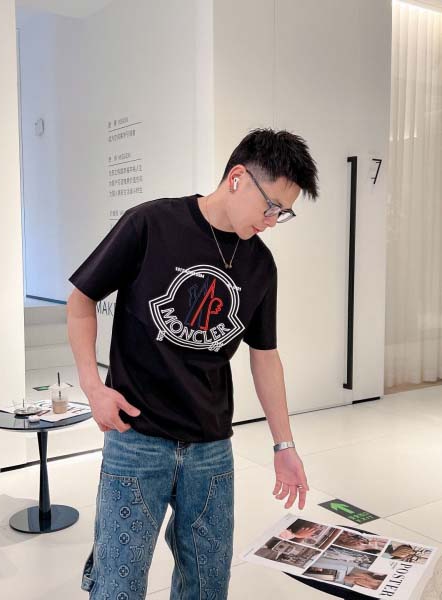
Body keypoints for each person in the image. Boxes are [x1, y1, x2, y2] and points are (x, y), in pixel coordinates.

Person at [67, 127, 319, 600]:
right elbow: (81, 299)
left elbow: (265, 356)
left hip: (211, 448)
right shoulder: (150, 224)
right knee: (118, 583)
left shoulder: (260, 265)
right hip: (136, 439)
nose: (271, 221)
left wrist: (284, 444)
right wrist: (92, 387)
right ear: (237, 178)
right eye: (270, 206)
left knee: (207, 585)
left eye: (282, 213)